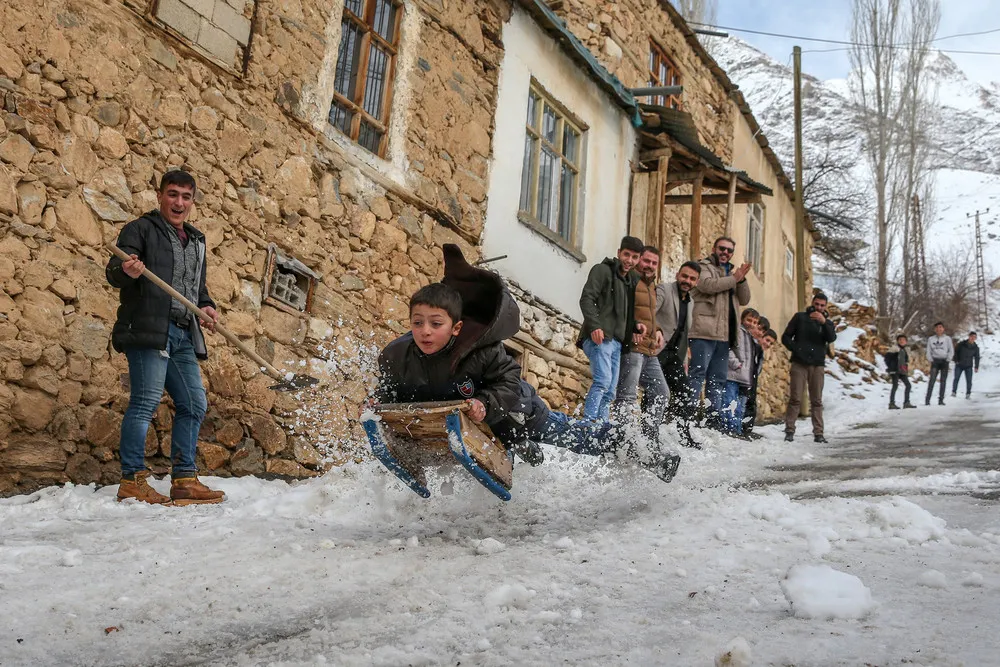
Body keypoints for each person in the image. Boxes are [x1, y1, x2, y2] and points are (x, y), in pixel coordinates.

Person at [375, 245, 680, 482]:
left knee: (577, 436)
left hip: (520, 413)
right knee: (511, 444)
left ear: (455, 327)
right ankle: (522, 448)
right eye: (418, 323)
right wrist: (379, 403)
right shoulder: (397, 356)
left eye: (435, 323)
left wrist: (484, 403)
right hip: (479, 427)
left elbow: (508, 382)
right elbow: (391, 389)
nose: (425, 331)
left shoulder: (481, 350)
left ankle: (638, 448)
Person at [106, 170, 225, 505]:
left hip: (184, 334)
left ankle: (185, 479)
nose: (179, 202)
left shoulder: (197, 241)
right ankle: (132, 479)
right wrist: (125, 270)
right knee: (145, 401)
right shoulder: (140, 229)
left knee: (194, 403)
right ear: (160, 196)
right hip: (148, 329)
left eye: (186, 197)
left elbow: (197, 290)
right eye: (173, 194)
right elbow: (115, 272)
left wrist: (207, 308)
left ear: (192, 201)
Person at [577, 236, 645, 422]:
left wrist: (635, 325)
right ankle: (589, 423)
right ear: (619, 253)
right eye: (626, 254)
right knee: (603, 382)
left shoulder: (630, 281)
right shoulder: (602, 270)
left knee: (610, 390)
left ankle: (602, 426)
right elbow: (587, 299)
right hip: (600, 338)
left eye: (634, 257)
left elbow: (626, 313)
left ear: (638, 259)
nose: (629, 260)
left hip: (617, 342)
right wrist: (595, 326)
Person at [687, 237, 751, 429]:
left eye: (729, 250)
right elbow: (707, 285)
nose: (725, 252)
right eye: (722, 248)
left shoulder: (732, 274)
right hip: (703, 333)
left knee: (717, 381)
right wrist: (734, 278)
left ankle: (712, 422)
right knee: (697, 375)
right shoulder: (704, 266)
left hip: (724, 337)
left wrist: (742, 278)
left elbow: (745, 298)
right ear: (714, 248)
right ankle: (687, 418)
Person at [611, 246, 669, 441]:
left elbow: (648, 314)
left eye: (654, 263)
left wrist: (658, 329)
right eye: (646, 261)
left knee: (661, 393)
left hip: (650, 350)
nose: (650, 266)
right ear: (639, 260)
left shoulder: (651, 285)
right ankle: (621, 440)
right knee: (627, 396)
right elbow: (623, 310)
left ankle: (648, 441)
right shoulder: (630, 280)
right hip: (633, 347)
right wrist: (631, 331)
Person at [655, 261, 702, 448]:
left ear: (696, 282)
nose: (687, 281)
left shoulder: (691, 301)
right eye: (685, 276)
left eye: (692, 279)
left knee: (684, 393)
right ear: (677, 275)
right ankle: (649, 433)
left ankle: (682, 435)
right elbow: (649, 314)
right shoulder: (664, 290)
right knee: (655, 393)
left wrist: (684, 360)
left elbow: (683, 333)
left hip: (674, 356)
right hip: (656, 352)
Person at [782, 293, 837, 443]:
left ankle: (819, 433)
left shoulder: (828, 323)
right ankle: (789, 430)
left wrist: (824, 322)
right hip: (799, 363)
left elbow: (831, 338)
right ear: (812, 303)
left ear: (825, 307)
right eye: (817, 304)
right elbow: (785, 337)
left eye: (822, 305)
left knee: (817, 401)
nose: (819, 307)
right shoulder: (800, 318)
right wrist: (796, 348)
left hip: (817, 365)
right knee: (795, 398)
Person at [722, 308, 759, 435]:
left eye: (754, 322)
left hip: (743, 378)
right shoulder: (737, 331)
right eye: (749, 320)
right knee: (730, 403)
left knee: (739, 407)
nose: (751, 324)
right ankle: (729, 429)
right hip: (732, 375)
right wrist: (736, 364)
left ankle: (736, 430)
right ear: (742, 319)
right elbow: (728, 348)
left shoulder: (750, 337)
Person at [742, 327, 778, 440]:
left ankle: (747, 430)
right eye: (767, 340)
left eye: (771, 343)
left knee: (751, 404)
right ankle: (741, 429)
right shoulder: (752, 347)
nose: (768, 344)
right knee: (745, 404)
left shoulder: (760, 351)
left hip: (752, 379)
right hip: (745, 378)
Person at [884, 333, 916, 410]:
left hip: (902, 370)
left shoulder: (905, 350)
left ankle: (906, 402)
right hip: (895, 370)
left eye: (903, 340)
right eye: (900, 340)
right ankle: (891, 403)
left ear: (906, 341)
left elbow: (906, 360)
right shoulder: (894, 348)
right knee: (895, 386)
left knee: (908, 385)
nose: (902, 341)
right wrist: (891, 367)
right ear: (897, 341)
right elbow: (887, 359)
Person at [925, 322, 953, 406]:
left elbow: (951, 350)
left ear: (943, 329)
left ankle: (941, 399)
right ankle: (927, 399)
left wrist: (948, 359)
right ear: (934, 329)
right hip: (935, 361)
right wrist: (930, 359)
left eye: (940, 327)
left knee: (943, 381)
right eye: (937, 327)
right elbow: (928, 350)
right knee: (932, 380)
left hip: (944, 361)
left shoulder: (947, 339)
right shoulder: (931, 339)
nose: (939, 329)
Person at [952, 331, 980, 399]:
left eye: (974, 337)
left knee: (969, 380)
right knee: (956, 378)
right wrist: (956, 360)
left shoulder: (975, 347)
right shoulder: (962, 344)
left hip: (968, 365)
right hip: (959, 364)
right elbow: (955, 352)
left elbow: (977, 357)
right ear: (969, 337)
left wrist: (976, 366)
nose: (973, 338)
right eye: (972, 337)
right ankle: (954, 392)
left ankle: (968, 393)